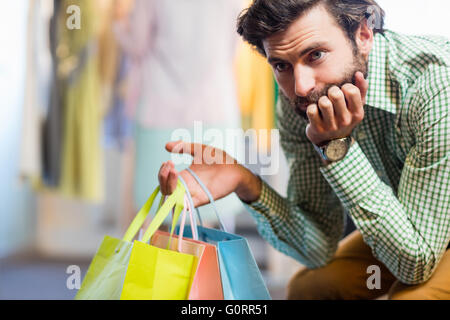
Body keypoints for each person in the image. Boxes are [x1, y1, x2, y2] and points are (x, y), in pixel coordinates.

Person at [158, 0, 450, 299]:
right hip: (415, 226)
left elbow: (415, 265)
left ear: (363, 35)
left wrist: (337, 148)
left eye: (316, 55)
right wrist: (246, 183)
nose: (300, 86)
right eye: (281, 65)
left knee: (413, 296)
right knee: (309, 288)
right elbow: (317, 247)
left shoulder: (435, 86)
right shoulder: (302, 102)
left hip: (424, 241)